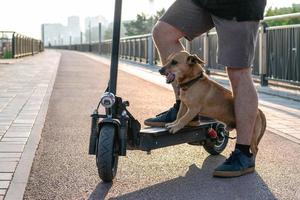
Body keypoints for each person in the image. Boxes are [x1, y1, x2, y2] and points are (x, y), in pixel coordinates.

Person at [144, 0, 266, 178]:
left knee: (238, 70)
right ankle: (184, 107)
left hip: (239, 5)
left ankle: (244, 152)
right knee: (163, 32)